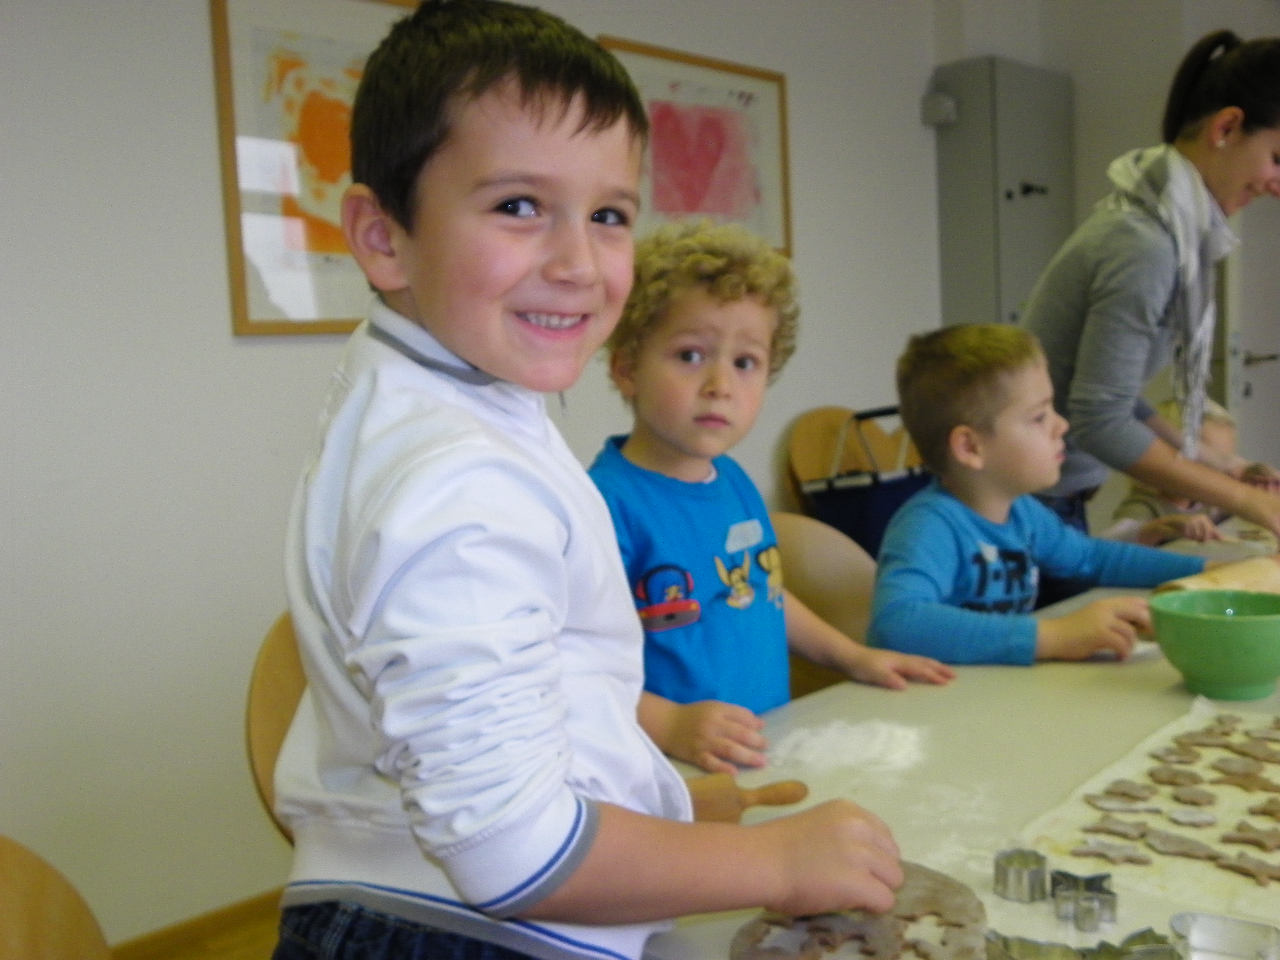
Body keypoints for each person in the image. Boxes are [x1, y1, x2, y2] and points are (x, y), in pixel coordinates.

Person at [274, 5, 904, 960]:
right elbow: (510, 852)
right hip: (452, 933)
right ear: (382, 236)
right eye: (519, 206)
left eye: (608, 215)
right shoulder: (457, 487)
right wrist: (776, 862)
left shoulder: (433, 394)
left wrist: (650, 797)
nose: (578, 264)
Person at [587, 221, 954, 775]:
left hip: (764, 748)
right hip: (668, 771)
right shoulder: (603, 506)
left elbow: (763, 593)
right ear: (626, 368)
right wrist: (669, 724)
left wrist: (853, 656)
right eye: (690, 355)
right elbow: (573, 669)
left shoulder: (732, 481)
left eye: (745, 362)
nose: (720, 385)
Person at [1020, 30, 1280, 568]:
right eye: (1277, 158)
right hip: (1030, 504)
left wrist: (1222, 465)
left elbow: (1114, 398)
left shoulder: (1160, 227)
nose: (1277, 184)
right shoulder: (1146, 244)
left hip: (1053, 496)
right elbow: (1099, 420)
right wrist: (1247, 501)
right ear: (1226, 128)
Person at [867, 324, 1206, 666]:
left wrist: (1204, 571)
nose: (1062, 426)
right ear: (970, 447)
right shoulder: (929, 525)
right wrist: (1055, 636)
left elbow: (1093, 558)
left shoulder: (1023, 512)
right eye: (1039, 416)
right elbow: (896, 625)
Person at [1103, 399, 1235, 545]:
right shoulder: (1145, 506)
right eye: (1207, 462)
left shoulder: (1205, 501)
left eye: (1224, 463)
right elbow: (1108, 545)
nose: (1219, 474)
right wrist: (1158, 528)